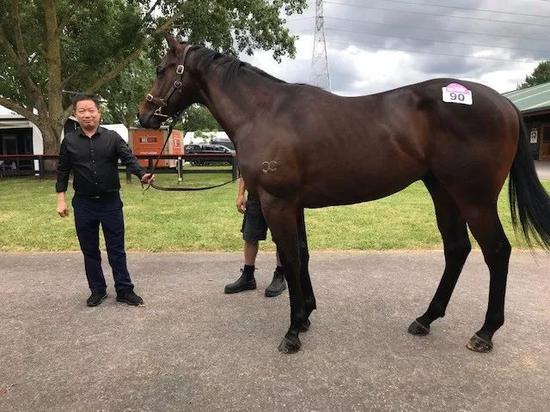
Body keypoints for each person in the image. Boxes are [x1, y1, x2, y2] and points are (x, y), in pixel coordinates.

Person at [56, 94, 154, 307]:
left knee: (116, 249)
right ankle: (97, 290)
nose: (87, 115)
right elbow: (63, 171)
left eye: (91, 110)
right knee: (89, 250)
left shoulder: (113, 138)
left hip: (110, 203)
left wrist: (142, 174)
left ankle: (124, 290)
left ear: (99, 113)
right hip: (83, 204)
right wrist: (61, 199)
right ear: (75, 115)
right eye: (82, 111)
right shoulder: (69, 141)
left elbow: (129, 159)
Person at [224, 177, 286, 297]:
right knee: (250, 236)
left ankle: (280, 275)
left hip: (278, 196)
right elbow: (246, 167)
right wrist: (241, 194)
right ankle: (248, 276)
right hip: (255, 195)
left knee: (281, 237)